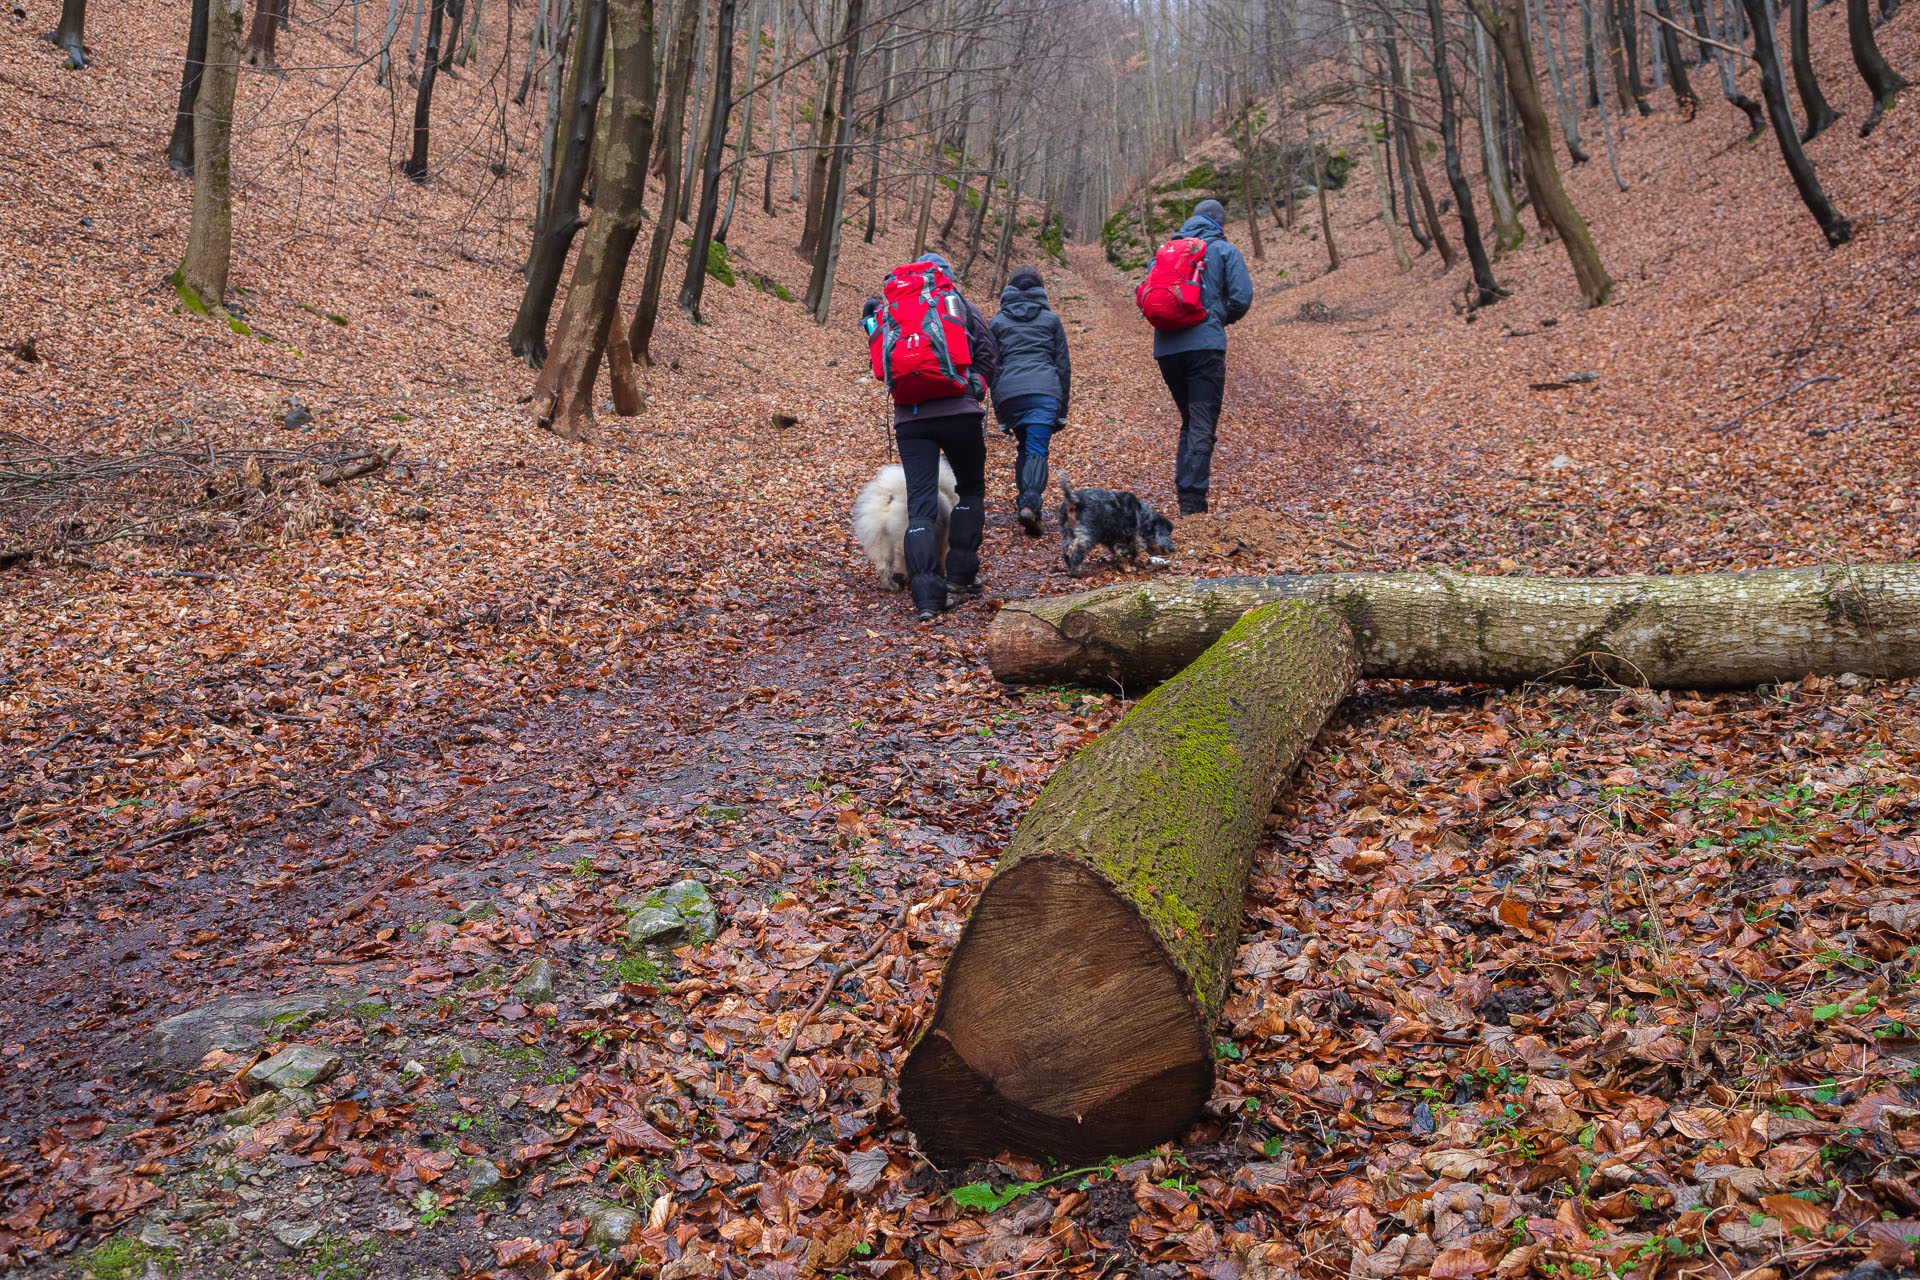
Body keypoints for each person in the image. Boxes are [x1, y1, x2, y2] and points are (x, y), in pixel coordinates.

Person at [879, 253, 997, 622]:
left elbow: (883, 361)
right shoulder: (957, 303)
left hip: (910, 419)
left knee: (921, 507)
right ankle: (961, 576)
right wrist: (973, 387)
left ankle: (928, 599)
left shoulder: (895, 308)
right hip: (959, 412)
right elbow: (988, 352)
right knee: (970, 489)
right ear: (944, 276)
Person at [1152, 198, 1253, 515]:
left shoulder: (1169, 250)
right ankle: (1192, 505)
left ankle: (1187, 495)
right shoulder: (1224, 251)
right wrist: (1217, 318)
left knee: (1191, 421)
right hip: (1204, 350)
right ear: (1221, 225)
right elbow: (1241, 297)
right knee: (1201, 423)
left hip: (1167, 349)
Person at [989, 265, 1072, 535]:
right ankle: (1031, 504)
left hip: (1011, 394)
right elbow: (1063, 367)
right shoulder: (1051, 321)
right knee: (1036, 449)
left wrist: (1000, 413)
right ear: (1040, 288)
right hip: (1044, 392)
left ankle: (1025, 504)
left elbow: (994, 368)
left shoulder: (998, 323)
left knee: (1024, 447)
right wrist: (1062, 409)